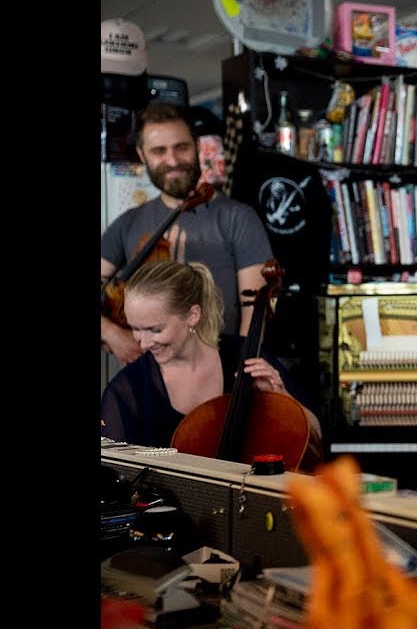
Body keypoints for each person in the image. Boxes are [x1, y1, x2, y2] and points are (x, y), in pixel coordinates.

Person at [101, 101, 274, 367]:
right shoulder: (128, 223)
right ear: (142, 154)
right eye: (159, 151)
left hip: (217, 374)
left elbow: (255, 317)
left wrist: (239, 373)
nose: (172, 161)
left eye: (181, 147)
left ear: (196, 145)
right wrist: (113, 334)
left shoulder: (238, 218)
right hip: (149, 383)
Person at [100, 259, 322, 464]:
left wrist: (282, 396)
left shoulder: (246, 357)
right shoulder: (127, 390)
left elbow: (315, 437)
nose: (143, 344)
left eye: (155, 329)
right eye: (135, 328)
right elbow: (116, 480)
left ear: (192, 315)